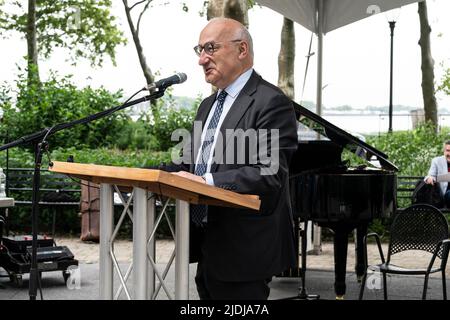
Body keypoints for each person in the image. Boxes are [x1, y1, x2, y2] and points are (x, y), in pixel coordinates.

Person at [164, 17, 298, 300]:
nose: (202, 60)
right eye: (199, 50)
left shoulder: (271, 102)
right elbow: (191, 162)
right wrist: (145, 175)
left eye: (210, 48)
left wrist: (204, 181)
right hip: (207, 246)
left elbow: (269, 173)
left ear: (242, 50)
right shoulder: (207, 106)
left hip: (245, 251)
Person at [424, 140, 450, 205]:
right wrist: (429, 178)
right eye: (448, 151)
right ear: (444, 151)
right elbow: (430, 176)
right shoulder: (437, 161)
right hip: (443, 196)